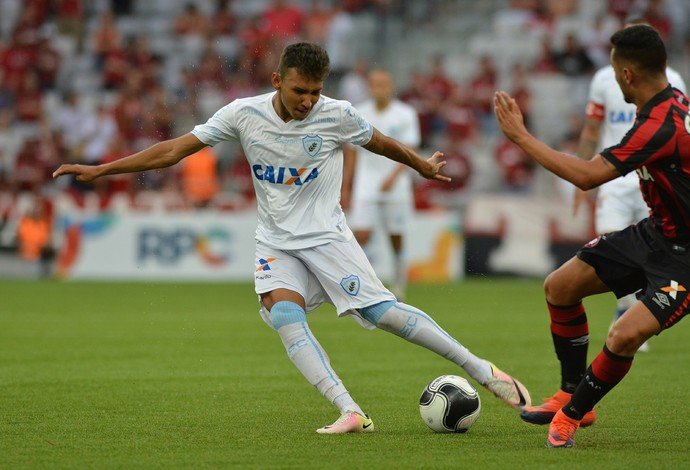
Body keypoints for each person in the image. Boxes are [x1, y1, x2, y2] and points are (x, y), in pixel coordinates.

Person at [53, 42, 531, 434]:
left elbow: (380, 142)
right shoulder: (243, 113)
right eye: (300, 90)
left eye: (315, 92)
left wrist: (421, 165)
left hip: (327, 236)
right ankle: (350, 411)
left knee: (380, 314)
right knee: (282, 313)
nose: (308, 101)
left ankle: (483, 371)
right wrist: (104, 169)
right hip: (276, 240)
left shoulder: (336, 113)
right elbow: (174, 150)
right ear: (278, 81)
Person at [494, 25, 690, 448]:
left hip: (684, 256)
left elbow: (587, 177)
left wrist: (521, 138)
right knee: (561, 286)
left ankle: (572, 413)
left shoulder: (660, 124)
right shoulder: (667, 102)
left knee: (623, 335)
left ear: (626, 76)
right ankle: (569, 390)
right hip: (655, 232)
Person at [573, 19, 687, 353]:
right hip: (614, 176)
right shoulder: (602, 80)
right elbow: (592, 130)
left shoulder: (674, 82)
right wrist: (584, 181)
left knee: (660, 244)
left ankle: (637, 317)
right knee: (610, 241)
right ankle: (628, 315)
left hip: (657, 177)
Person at [342, 69, 419, 301]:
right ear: (369, 87)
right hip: (366, 185)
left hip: (395, 186)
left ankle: (398, 282)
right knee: (361, 235)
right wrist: (346, 186)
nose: (379, 89)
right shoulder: (359, 113)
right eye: (375, 84)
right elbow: (351, 153)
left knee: (396, 236)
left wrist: (392, 177)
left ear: (391, 86)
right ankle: (362, 284)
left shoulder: (405, 114)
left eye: (383, 84)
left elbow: (409, 150)